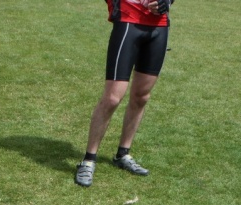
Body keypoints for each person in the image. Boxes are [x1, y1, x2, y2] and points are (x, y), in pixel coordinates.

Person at [74, 0, 175, 187]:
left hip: (159, 28)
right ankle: (88, 160)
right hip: (128, 22)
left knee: (141, 96)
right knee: (112, 98)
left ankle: (123, 154)